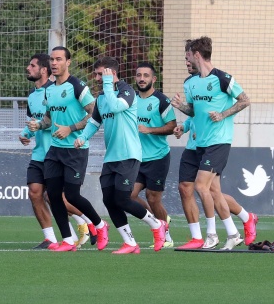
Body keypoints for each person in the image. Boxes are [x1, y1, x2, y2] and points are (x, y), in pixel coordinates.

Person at [74, 57, 167, 254]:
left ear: (112, 73)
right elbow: (94, 122)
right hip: (111, 157)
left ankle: (157, 224)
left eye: (101, 74)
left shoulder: (127, 91)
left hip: (128, 154)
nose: (97, 78)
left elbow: (116, 106)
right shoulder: (101, 98)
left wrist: (108, 84)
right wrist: (82, 137)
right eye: (96, 74)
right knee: (109, 200)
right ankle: (130, 243)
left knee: (123, 199)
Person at [171, 36, 251, 250]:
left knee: (200, 186)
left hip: (219, 141)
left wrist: (223, 114)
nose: (186, 59)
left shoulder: (222, 78)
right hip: (200, 143)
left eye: (188, 55)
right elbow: (194, 112)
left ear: (196, 55)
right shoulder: (190, 83)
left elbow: (245, 100)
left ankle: (212, 235)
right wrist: (181, 107)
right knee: (213, 191)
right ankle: (233, 233)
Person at [27, 46, 108, 251]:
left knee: (71, 195)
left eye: (59, 59)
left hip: (75, 149)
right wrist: (39, 125)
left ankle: (100, 225)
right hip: (55, 150)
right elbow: (48, 118)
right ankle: (68, 241)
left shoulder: (77, 86)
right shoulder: (50, 89)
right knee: (53, 195)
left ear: (68, 62)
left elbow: (94, 114)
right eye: (52, 59)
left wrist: (71, 128)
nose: (54, 63)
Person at [131, 62, 177, 248]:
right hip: (136, 157)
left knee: (153, 198)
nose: (142, 79)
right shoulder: (131, 99)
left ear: (154, 79)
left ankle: (166, 237)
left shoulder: (161, 101)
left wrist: (150, 130)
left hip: (158, 157)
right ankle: (159, 221)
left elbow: (172, 126)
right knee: (128, 196)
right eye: (139, 75)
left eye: (146, 75)